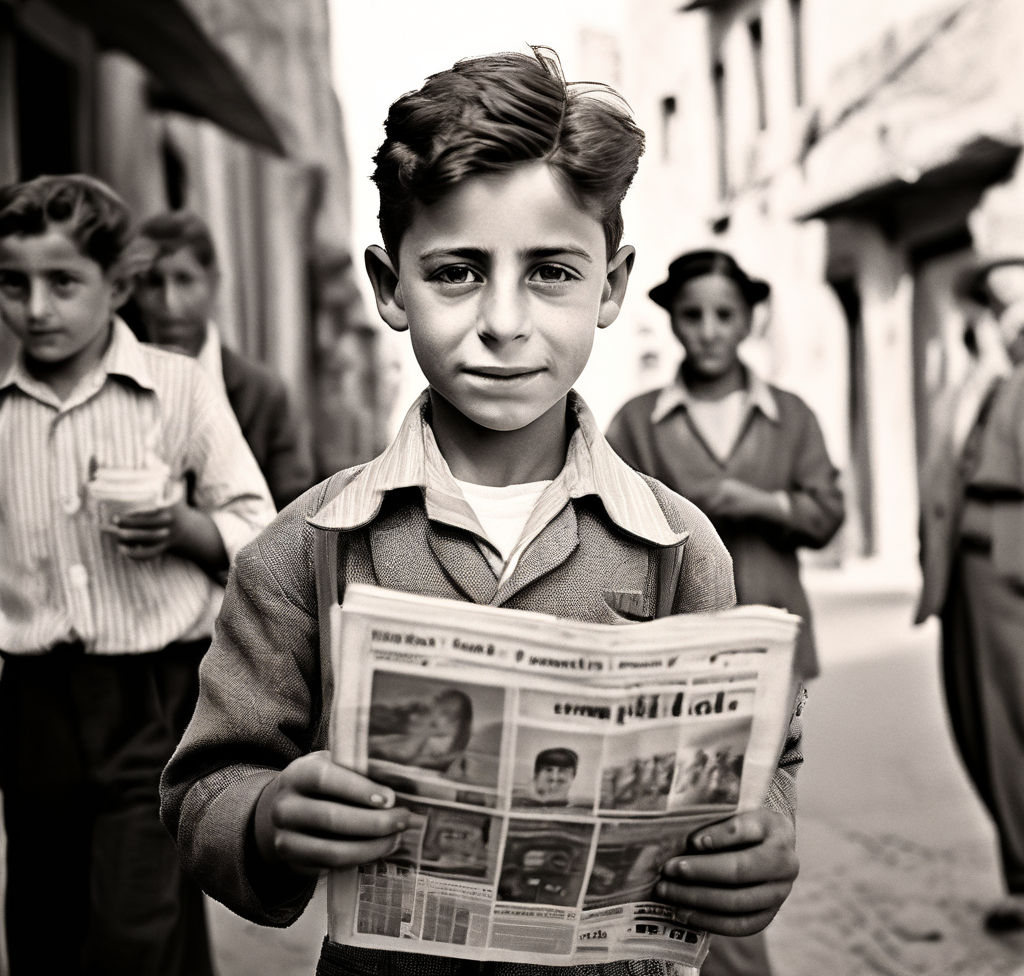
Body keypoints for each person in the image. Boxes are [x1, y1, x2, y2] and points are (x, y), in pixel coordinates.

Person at [160, 48, 804, 976]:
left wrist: (764, 841)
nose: (504, 321)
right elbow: (202, 788)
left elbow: (763, 758)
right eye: (458, 272)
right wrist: (268, 816)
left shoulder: (676, 543)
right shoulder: (306, 546)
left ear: (613, 286)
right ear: (390, 287)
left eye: (551, 273)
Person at [0, 174, 276, 975]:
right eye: (14, 285)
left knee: (132, 927)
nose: (38, 308)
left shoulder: (178, 387)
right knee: (44, 921)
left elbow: (257, 529)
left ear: (116, 285)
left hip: (153, 700)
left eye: (63, 283)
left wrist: (188, 528)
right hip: (33, 698)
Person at [606, 248, 844, 684]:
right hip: (675, 641)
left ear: (749, 321)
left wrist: (763, 504)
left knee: (777, 752)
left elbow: (827, 515)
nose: (709, 332)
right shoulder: (636, 422)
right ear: (672, 321)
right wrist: (677, 517)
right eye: (692, 316)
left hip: (773, 630)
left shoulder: (792, 415)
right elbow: (606, 529)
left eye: (725, 315)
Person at [917, 257, 1024, 933]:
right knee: (982, 721)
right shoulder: (972, 387)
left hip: (1008, 550)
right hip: (968, 565)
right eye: (1001, 300)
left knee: (1012, 717)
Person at [132, 209, 315, 511]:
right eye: (153, 283)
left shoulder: (262, 393)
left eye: (185, 280)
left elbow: (294, 511)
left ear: (213, 283)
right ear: (133, 290)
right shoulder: (117, 381)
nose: (169, 302)